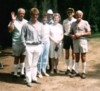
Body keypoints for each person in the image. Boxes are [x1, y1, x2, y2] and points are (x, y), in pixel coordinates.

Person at [21, 8, 43, 87]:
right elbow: (22, 36)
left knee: (35, 63)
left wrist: (41, 44)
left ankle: (34, 78)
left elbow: (42, 35)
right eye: (33, 15)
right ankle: (28, 80)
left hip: (37, 46)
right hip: (29, 46)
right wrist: (25, 45)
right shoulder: (26, 25)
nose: (35, 16)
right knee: (29, 64)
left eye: (36, 15)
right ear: (30, 15)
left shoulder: (40, 24)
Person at [69, 10, 91, 79]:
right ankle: (76, 72)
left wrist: (81, 33)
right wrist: (71, 36)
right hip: (75, 41)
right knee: (76, 57)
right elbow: (70, 33)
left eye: (80, 15)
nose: (79, 16)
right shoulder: (73, 23)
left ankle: (83, 72)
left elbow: (89, 33)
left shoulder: (85, 22)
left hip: (83, 41)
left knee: (83, 57)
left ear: (82, 15)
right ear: (75, 15)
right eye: (77, 15)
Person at [8, 8, 28, 79]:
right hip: (16, 42)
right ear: (18, 13)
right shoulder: (13, 21)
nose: (22, 15)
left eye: (23, 13)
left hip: (24, 43)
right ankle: (15, 74)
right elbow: (10, 30)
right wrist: (13, 21)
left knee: (23, 58)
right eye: (20, 13)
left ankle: (22, 73)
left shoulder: (26, 22)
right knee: (16, 58)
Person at [63, 8, 76, 75]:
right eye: (69, 12)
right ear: (67, 13)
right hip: (66, 37)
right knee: (67, 53)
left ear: (73, 13)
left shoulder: (75, 20)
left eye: (71, 12)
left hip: (73, 37)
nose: (70, 14)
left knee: (73, 53)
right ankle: (68, 68)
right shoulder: (64, 21)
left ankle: (73, 68)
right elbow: (63, 30)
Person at [37, 13, 50, 78]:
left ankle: (43, 71)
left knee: (45, 57)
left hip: (47, 42)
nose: (45, 19)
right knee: (40, 57)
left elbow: (49, 34)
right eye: (43, 18)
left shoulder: (48, 26)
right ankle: (38, 72)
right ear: (41, 19)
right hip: (40, 43)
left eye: (46, 19)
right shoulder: (39, 25)